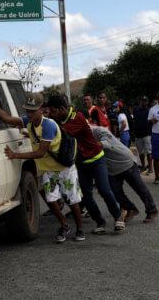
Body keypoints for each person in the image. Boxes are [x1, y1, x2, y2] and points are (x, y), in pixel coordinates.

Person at [0, 95, 85, 243]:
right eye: (27, 111)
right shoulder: (29, 122)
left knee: (72, 199)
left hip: (65, 168)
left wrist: (15, 155)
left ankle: (80, 229)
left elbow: (40, 152)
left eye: (33, 111)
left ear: (42, 110)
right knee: (51, 199)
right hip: (48, 170)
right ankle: (64, 224)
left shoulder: (49, 126)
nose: (30, 114)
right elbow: (7, 118)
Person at [45, 95, 125, 233]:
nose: (51, 114)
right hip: (81, 163)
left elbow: (63, 133)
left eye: (53, 111)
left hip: (96, 158)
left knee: (104, 190)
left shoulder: (77, 117)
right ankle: (100, 222)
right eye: (50, 112)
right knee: (86, 196)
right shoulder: (59, 120)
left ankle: (118, 217)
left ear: (62, 109)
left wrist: (48, 126)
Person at [91, 126, 158, 223]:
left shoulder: (99, 130)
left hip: (126, 162)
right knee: (114, 192)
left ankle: (152, 210)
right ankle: (130, 209)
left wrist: (92, 144)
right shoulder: (81, 138)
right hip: (112, 168)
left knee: (140, 188)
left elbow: (107, 142)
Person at [131, 96, 153, 173]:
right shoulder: (136, 110)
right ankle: (143, 166)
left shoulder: (150, 110)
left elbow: (151, 122)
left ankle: (150, 168)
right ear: (141, 101)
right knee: (141, 153)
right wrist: (133, 132)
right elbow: (134, 121)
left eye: (145, 101)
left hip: (147, 134)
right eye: (143, 100)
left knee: (148, 152)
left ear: (147, 102)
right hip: (138, 134)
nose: (144, 102)